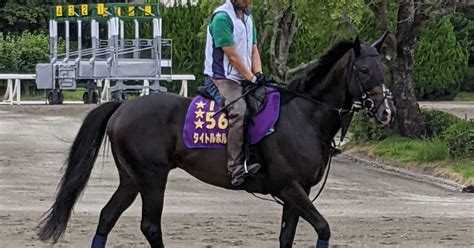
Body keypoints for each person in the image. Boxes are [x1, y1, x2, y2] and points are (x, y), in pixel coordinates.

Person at [203, 0, 263, 186]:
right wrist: (251, 78)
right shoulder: (222, 18)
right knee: (239, 111)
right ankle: (235, 167)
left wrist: (258, 73)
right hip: (221, 79)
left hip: (243, 77)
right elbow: (232, 54)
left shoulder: (248, 17)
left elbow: (253, 49)